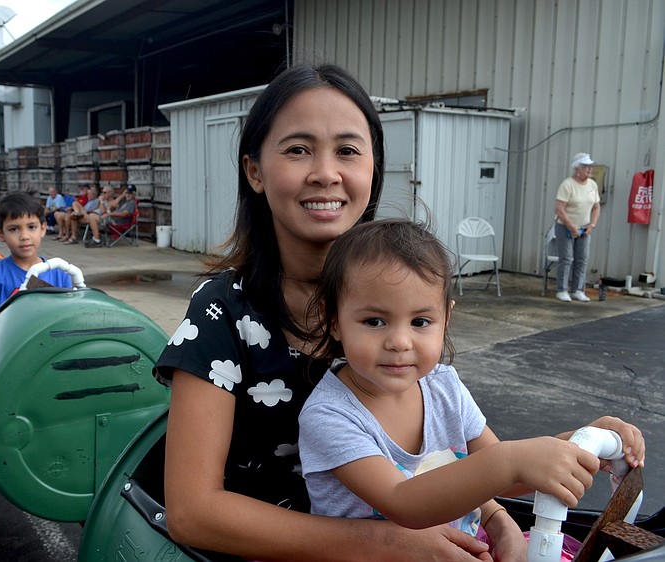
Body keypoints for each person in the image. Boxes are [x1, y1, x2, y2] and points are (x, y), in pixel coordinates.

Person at [152, 63, 646, 562]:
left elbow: (457, 461)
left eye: (348, 151)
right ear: (255, 171)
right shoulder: (223, 310)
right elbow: (192, 512)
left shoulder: (402, 304)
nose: (326, 172)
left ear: (374, 169)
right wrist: (385, 543)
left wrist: (568, 450)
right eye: (298, 149)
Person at [297, 218, 645, 561]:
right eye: (374, 321)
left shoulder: (443, 386)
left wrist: (574, 443)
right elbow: (403, 501)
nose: (400, 342)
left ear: (445, 319)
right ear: (334, 321)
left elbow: (501, 478)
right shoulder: (330, 415)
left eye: (420, 322)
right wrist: (512, 461)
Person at [0, 191, 73, 320]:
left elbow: (69, 317)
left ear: (42, 229)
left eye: (31, 227)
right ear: (0, 234)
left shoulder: (60, 273)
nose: (24, 236)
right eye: (14, 229)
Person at [554, 152, 601, 303]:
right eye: (586, 166)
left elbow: (596, 207)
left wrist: (592, 225)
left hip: (585, 228)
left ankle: (577, 290)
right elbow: (559, 209)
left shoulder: (592, 185)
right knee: (567, 258)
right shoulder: (567, 185)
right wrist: (571, 226)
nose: (590, 169)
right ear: (577, 169)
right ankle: (562, 290)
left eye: (591, 166)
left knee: (582, 259)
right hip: (565, 227)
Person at [84, 184, 137, 248]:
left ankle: (96, 240)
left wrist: (109, 214)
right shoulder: (125, 202)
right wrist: (122, 195)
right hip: (112, 219)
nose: (128, 195)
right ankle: (96, 238)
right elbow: (113, 205)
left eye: (130, 193)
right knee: (92, 216)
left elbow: (124, 214)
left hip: (117, 223)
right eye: (127, 193)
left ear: (134, 194)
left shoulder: (131, 203)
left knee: (92, 216)